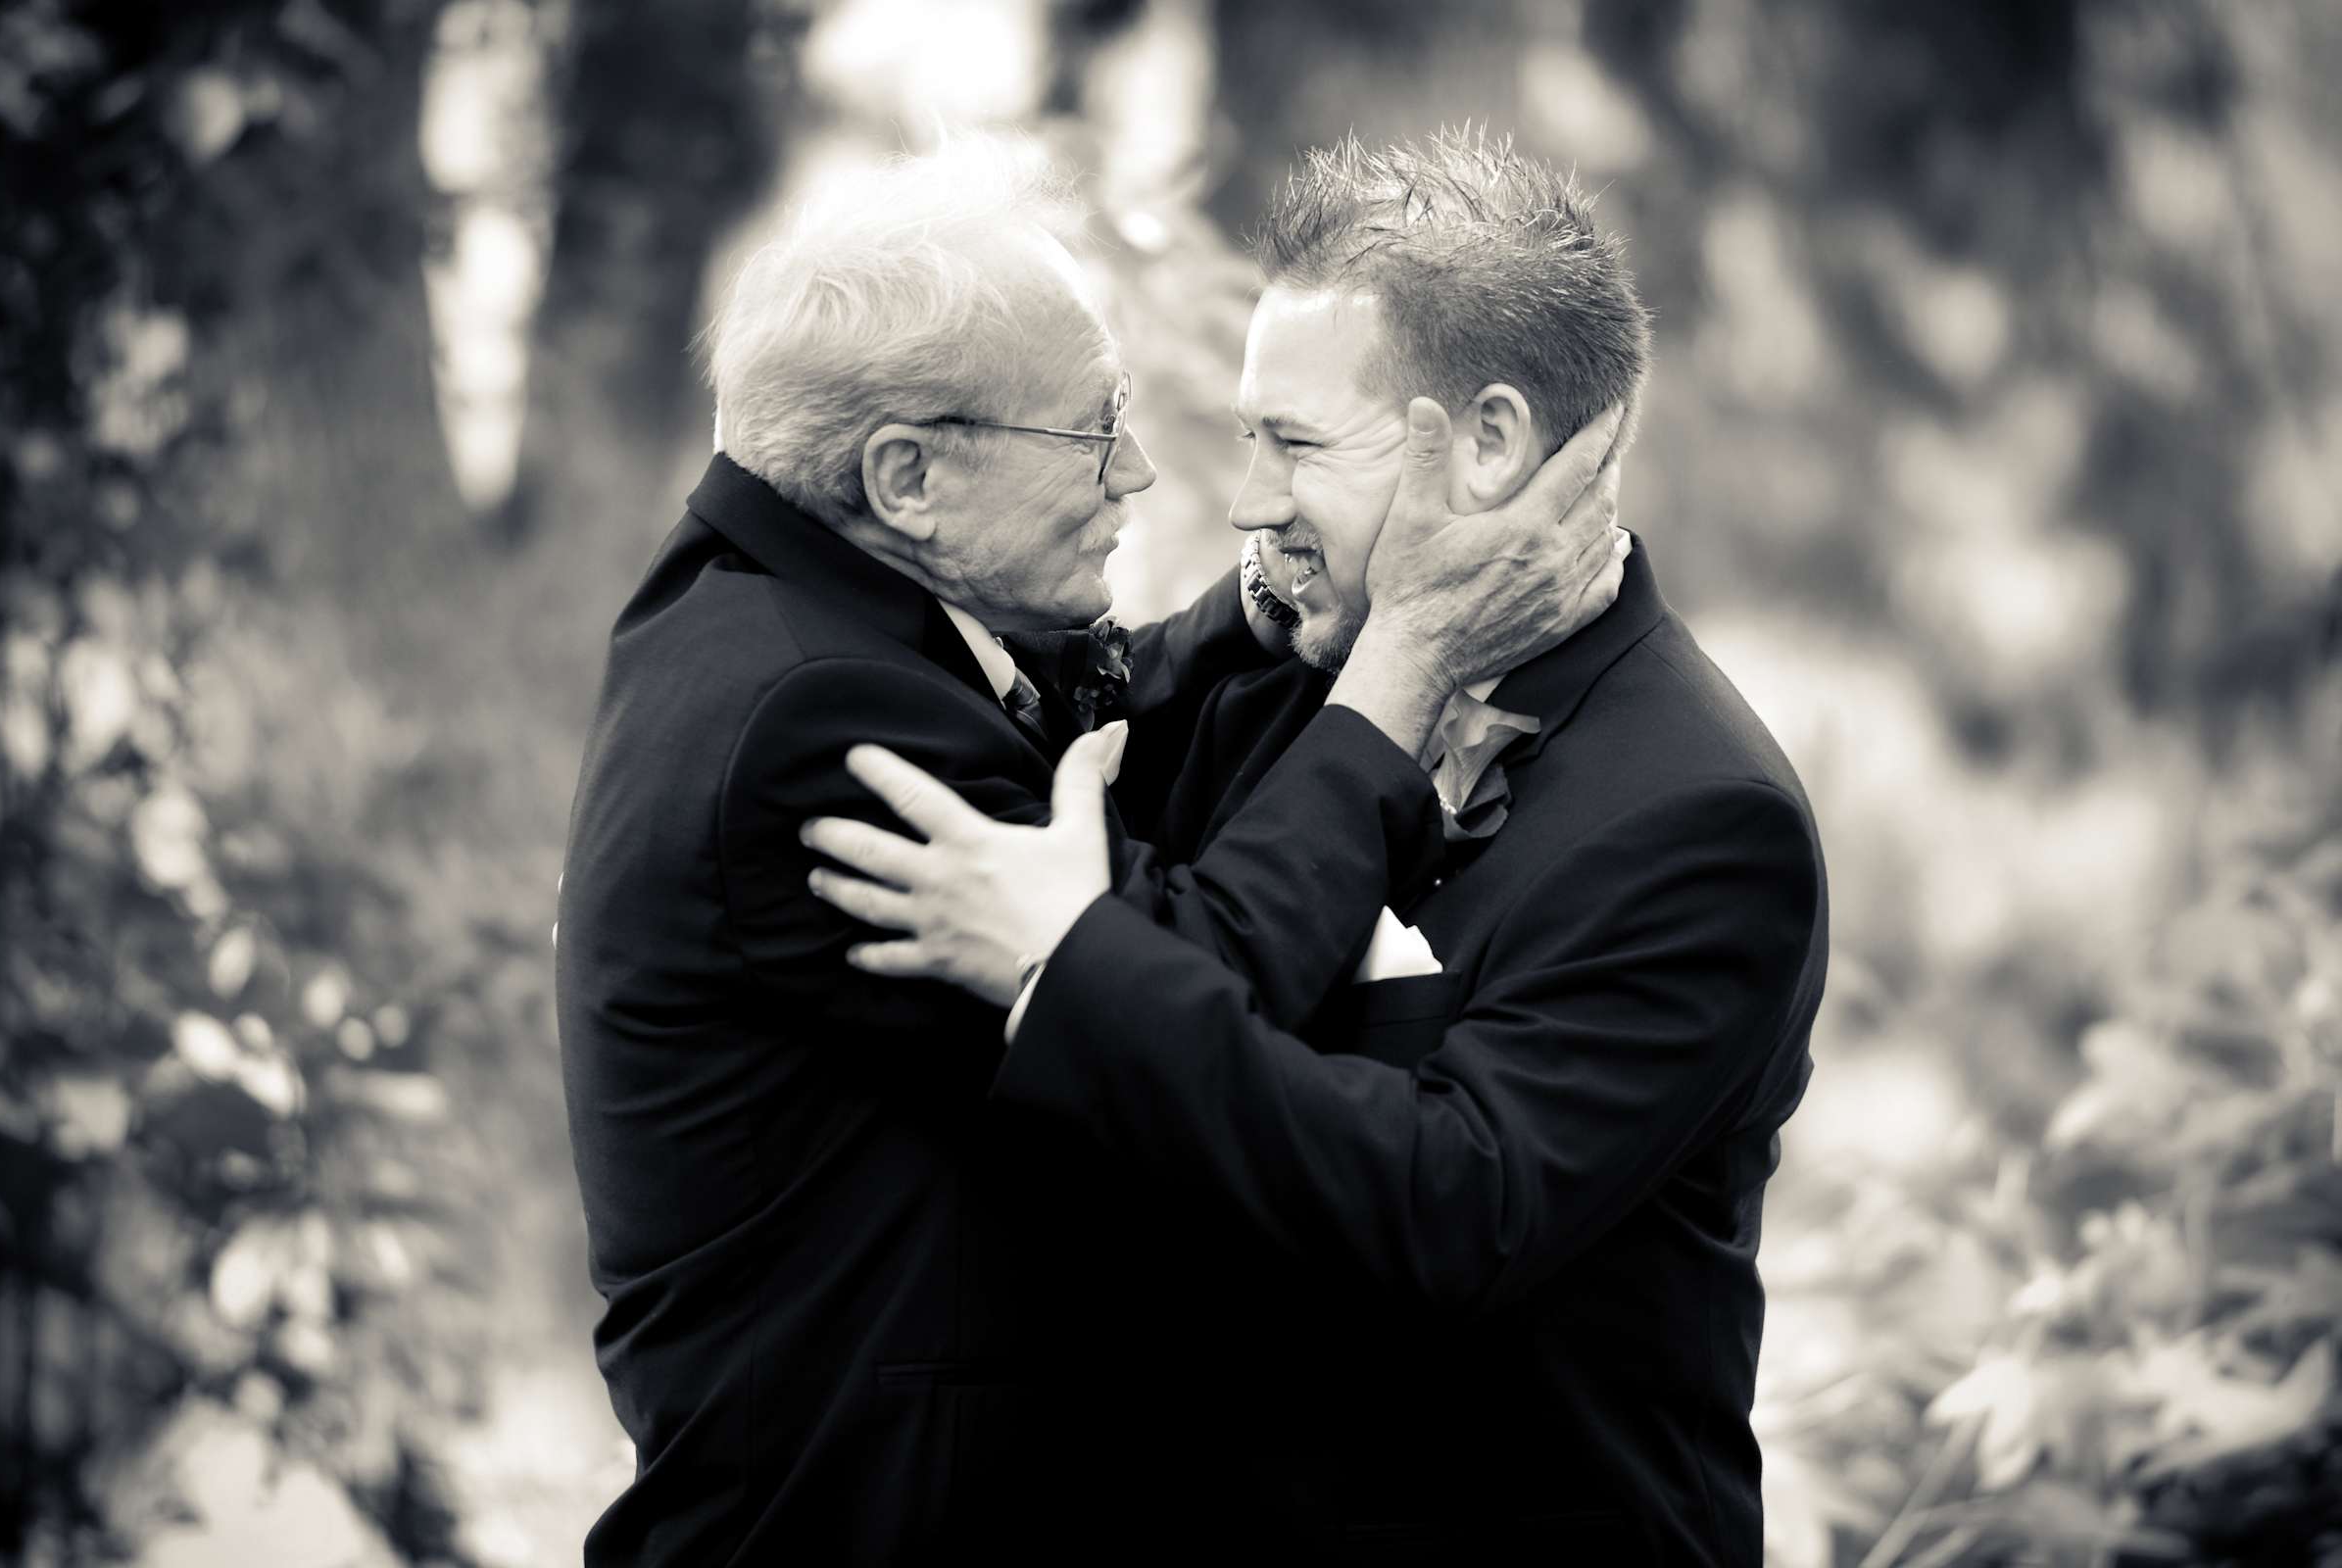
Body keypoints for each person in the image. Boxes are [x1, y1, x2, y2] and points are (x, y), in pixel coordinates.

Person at [553, 138, 1624, 1562]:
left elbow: (1065, 702)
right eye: (1091, 434)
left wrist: (1267, 600)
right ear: (908, 476)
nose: (1138, 473)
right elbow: (1177, 981)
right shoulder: (818, 732)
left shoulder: (785, 614)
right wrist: (1406, 663)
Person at [805, 130, 1830, 1564]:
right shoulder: (1299, 684)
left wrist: (1065, 968)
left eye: (1294, 445)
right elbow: (1075, 721)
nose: (1244, 499)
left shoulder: (1705, 821)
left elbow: (1446, 1207)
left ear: (1485, 445)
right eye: (1250, 437)